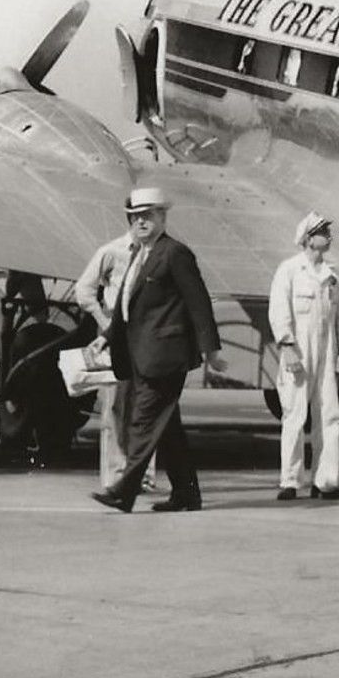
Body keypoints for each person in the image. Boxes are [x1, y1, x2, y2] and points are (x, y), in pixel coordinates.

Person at [90, 187, 227, 513]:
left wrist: (210, 349)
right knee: (167, 430)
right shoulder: (141, 254)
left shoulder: (175, 254)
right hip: (140, 355)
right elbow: (127, 306)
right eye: (135, 217)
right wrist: (107, 336)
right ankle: (187, 494)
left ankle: (124, 491)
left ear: (162, 217)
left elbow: (198, 302)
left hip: (164, 356)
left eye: (147, 215)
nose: (140, 222)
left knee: (143, 421)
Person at [268, 212, 339, 502]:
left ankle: (326, 481)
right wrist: (287, 346)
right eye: (322, 231)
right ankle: (290, 481)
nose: (329, 236)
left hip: (327, 349)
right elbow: (279, 310)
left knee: (330, 415)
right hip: (299, 348)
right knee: (295, 414)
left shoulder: (334, 274)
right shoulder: (290, 270)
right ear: (308, 238)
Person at [73, 229, 137, 494]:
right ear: (131, 220)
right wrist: (104, 323)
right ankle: (114, 475)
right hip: (114, 333)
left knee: (142, 405)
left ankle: (140, 475)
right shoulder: (111, 252)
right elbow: (84, 290)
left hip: (144, 334)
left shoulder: (154, 254)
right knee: (115, 405)